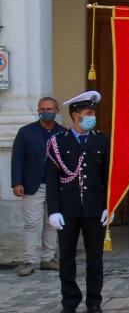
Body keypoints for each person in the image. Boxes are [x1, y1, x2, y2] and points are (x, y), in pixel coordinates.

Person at [43, 91, 110, 313]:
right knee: (67, 258)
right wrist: (54, 210)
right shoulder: (58, 142)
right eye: (88, 113)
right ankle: (69, 301)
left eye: (93, 113)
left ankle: (94, 301)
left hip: (94, 208)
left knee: (95, 258)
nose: (92, 117)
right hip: (68, 209)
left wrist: (109, 205)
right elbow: (52, 179)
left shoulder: (102, 140)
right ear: (75, 115)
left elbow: (108, 176)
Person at [10, 96, 64, 277]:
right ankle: (29, 261)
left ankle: (48, 259)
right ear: (38, 111)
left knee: (52, 223)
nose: (45, 112)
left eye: (49, 109)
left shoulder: (63, 133)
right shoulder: (26, 132)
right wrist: (17, 182)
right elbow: (17, 158)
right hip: (32, 185)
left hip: (56, 186)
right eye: (42, 109)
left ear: (57, 111)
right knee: (32, 224)